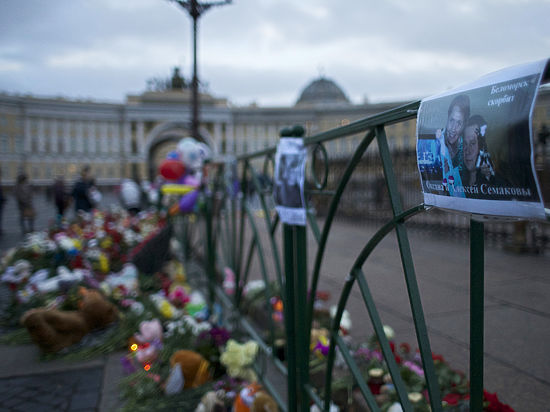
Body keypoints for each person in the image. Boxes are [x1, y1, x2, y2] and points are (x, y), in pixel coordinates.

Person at [434, 94, 470, 197]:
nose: (453, 128)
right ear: (447, 119)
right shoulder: (437, 141)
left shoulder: (467, 150)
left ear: (464, 125)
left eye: (459, 123)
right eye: (451, 121)